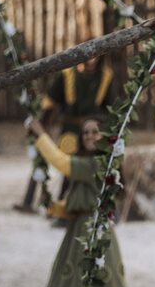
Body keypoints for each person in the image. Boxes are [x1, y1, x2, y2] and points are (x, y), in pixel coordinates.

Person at [29, 117, 133, 287]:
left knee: (102, 284)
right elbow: (75, 205)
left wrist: (40, 133)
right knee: (75, 284)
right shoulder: (86, 165)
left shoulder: (100, 163)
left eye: (94, 132)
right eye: (85, 132)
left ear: (103, 136)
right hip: (78, 231)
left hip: (97, 232)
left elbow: (60, 162)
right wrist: (52, 206)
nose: (89, 136)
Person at [18, 57, 117, 214]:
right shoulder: (67, 74)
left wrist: (108, 133)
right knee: (61, 161)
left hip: (92, 127)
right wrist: (42, 125)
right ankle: (35, 201)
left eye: (95, 56)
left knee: (78, 169)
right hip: (70, 129)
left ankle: (67, 205)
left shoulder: (105, 76)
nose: (92, 60)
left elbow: (111, 108)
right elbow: (51, 100)